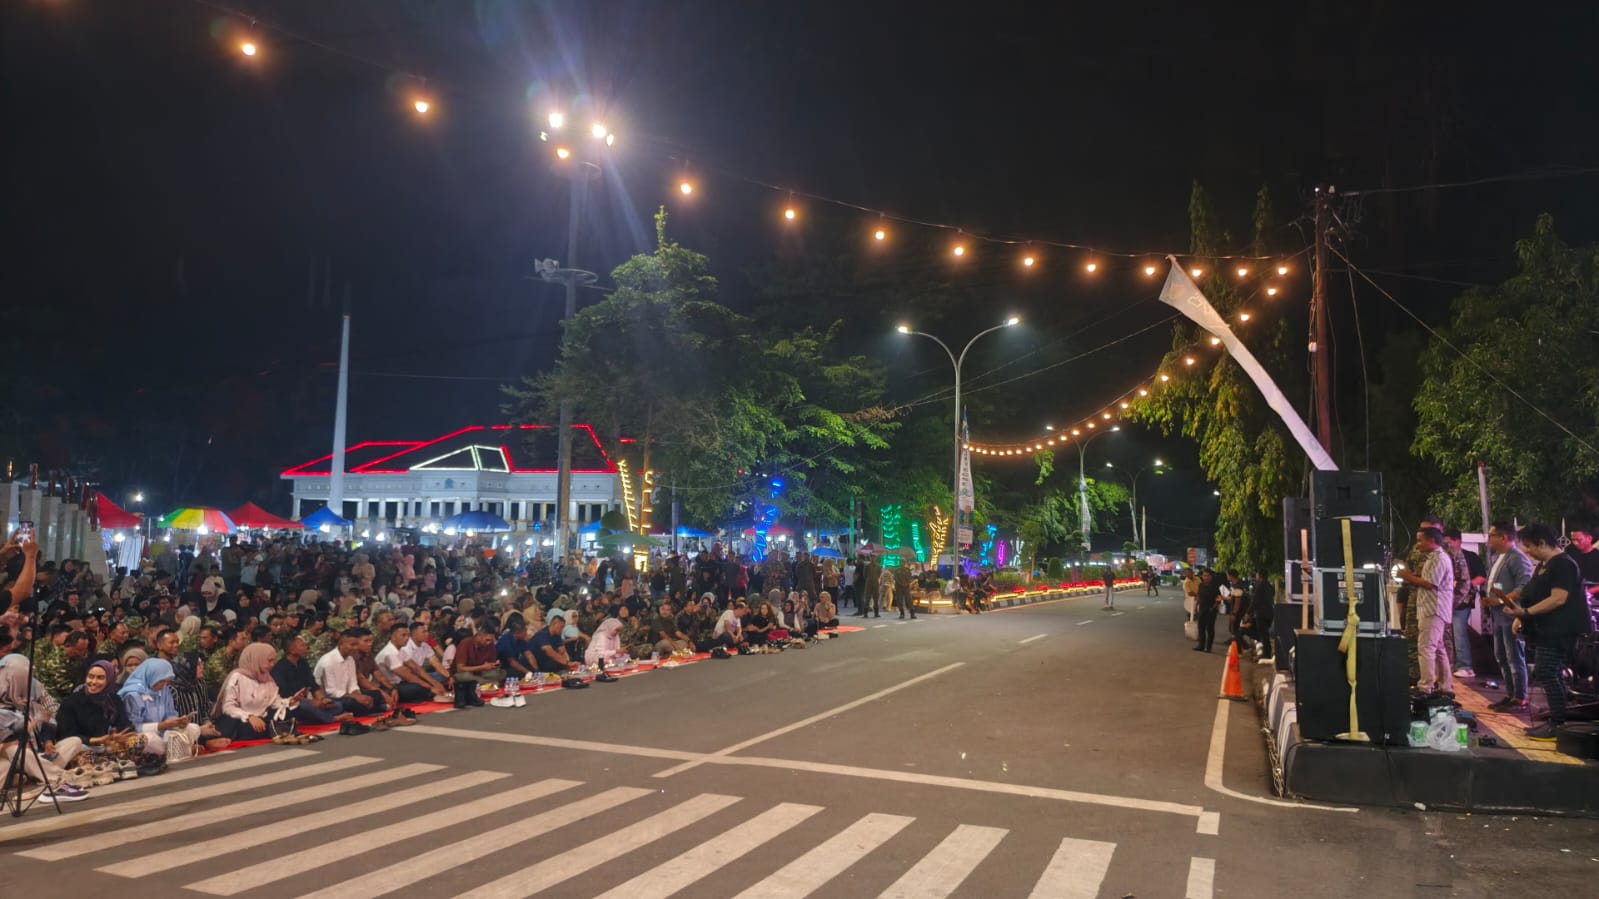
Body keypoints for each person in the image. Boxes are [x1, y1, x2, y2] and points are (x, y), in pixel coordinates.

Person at [1500, 523, 1594, 740]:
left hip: (1560, 629)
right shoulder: (1545, 565)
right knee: (1548, 672)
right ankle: (1556, 720)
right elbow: (1533, 594)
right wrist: (1521, 615)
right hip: (1547, 629)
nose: (1527, 551)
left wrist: (1526, 612)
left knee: (1547, 672)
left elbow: (1558, 598)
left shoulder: (1563, 564)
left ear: (1542, 543)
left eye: (1529, 546)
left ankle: (1557, 723)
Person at [56, 659, 164, 770]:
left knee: (143, 740)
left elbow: (125, 724)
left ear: (109, 679)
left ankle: (118, 764)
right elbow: (67, 736)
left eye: (100, 678)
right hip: (85, 747)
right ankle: (113, 765)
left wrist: (119, 736)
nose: (93, 682)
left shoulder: (113, 699)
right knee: (83, 757)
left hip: (111, 746)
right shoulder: (71, 702)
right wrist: (97, 740)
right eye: (91, 676)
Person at [1478, 522, 1535, 711]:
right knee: (1501, 656)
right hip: (1499, 615)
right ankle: (1510, 694)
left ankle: (1520, 697)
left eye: (1492, 535)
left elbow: (1524, 587)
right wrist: (1492, 599)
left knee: (1514, 657)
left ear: (1503, 537)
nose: (1488, 539)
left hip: (1512, 616)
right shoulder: (1498, 557)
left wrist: (1500, 600)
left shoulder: (1517, 558)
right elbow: (1499, 584)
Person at [119, 657, 222, 756]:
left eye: (167, 681)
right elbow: (134, 727)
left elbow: (170, 713)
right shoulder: (133, 696)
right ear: (151, 676)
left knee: (193, 728)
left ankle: (174, 750)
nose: (164, 685)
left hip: (164, 733)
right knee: (145, 740)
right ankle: (180, 750)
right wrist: (162, 725)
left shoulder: (164, 690)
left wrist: (178, 722)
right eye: (161, 681)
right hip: (146, 735)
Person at [1396, 526, 1455, 695]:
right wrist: (1412, 578)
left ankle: (1425, 687)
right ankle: (1445, 686)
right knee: (1438, 648)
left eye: (1420, 540)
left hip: (1433, 609)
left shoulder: (1439, 558)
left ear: (1432, 540)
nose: (1417, 544)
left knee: (1426, 648)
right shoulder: (1433, 557)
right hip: (1430, 609)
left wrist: (1407, 576)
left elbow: (1430, 584)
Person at [213, 643, 299, 742]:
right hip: (241, 720)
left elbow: (275, 701)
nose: (272, 664)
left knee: (290, 714)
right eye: (269, 660)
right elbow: (228, 707)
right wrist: (249, 717)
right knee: (248, 729)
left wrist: (291, 701)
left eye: (273, 661)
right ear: (257, 659)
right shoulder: (237, 677)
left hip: (262, 719)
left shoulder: (267, 678)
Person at [271, 636, 347, 726]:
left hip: (308, 702)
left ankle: (313, 719)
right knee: (304, 706)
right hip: (291, 703)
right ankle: (332, 719)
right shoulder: (280, 669)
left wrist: (322, 700)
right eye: (302, 645)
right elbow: (285, 695)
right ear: (292, 650)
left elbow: (313, 685)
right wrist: (311, 702)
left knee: (337, 705)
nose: (306, 648)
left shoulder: (303, 663)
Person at [1193, 569, 1221, 653]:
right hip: (1202, 609)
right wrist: (1196, 606)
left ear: (1211, 577)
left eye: (1207, 576)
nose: (1205, 577)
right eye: (1204, 575)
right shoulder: (1201, 585)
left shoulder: (1215, 586)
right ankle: (1201, 645)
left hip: (1211, 609)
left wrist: (1213, 608)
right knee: (1201, 627)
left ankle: (1208, 647)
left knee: (1209, 628)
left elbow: (1218, 599)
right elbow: (1198, 596)